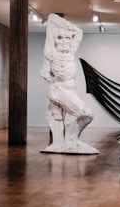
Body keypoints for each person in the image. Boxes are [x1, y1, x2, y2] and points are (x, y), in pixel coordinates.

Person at [40, 14, 98, 154]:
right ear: (55, 40)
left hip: (69, 91)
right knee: (83, 113)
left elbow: (78, 32)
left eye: (68, 38)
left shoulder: (70, 53)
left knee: (87, 115)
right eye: (60, 38)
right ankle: (70, 142)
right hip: (59, 90)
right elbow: (52, 17)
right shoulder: (52, 54)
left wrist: (68, 27)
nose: (65, 41)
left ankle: (70, 140)